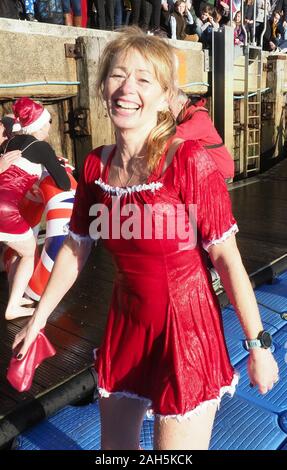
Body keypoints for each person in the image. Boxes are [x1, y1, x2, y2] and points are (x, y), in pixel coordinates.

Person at [13, 27, 278, 450]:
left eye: (143, 79)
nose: (127, 88)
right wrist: (38, 318)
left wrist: (258, 346)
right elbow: (77, 246)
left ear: (165, 98)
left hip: (185, 328)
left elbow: (226, 258)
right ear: (102, 88)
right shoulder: (97, 167)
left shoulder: (187, 161)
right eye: (117, 75)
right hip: (127, 323)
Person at [0, 97, 70, 320]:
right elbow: (65, 184)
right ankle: (13, 308)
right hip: (5, 210)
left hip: (5, 205)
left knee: (23, 252)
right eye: (48, 122)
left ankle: (16, 298)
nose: (50, 128)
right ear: (39, 124)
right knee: (29, 253)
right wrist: (58, 165)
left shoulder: (12, 143)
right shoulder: (41, 147)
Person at [170, 90, 234, 180]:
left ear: (180, 104)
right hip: (210, 169)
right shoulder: (191, 115)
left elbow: (179, 134)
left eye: (170, 107)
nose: (169, 111)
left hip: (219, 171)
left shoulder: (200, 117)